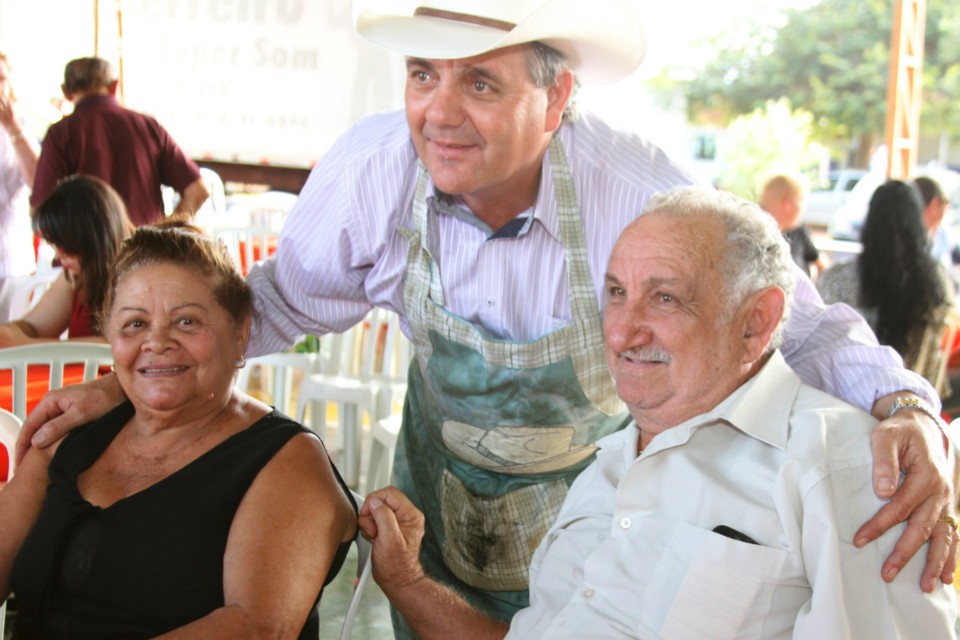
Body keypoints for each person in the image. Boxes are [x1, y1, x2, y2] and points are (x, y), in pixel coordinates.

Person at [16, 2, 957, 635]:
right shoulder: (374, 171)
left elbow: (793, 319)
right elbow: (272, 308)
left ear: (558, 98)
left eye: (481, 83)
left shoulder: (632, 187)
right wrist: (129, 381)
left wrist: (909, 406)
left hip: (597, 505)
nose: (440, 113)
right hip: (434, 494)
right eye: (424, 75)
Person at [360, 186, 958, 639]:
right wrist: (409, 581)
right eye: (617, 292)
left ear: (757, 322)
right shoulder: (616, 453)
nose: (621, 331)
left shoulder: (846, 464)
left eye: (665, 298)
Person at [0, 224, 357, 637]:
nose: (157, 341)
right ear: (109, 334)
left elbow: (256, 629)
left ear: (240, 331)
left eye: (186, 321)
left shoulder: (287, 460)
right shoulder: (74, 434)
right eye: (134, 324)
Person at [30, 57, 209, 226]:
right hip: (143, 254)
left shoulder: (61, 134)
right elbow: (198, 191)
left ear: (66, 92)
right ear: (114, 86)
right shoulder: (148, 126)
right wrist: (163, 234)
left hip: (83, 255)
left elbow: (40, 209)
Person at [818, 180, 954, 395]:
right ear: (917, 222)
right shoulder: (939, 283)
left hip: (849, 402)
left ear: (870, 221)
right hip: (918, 403)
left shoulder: (836, 280)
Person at [0, 175, 133, 346]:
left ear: (90, 239)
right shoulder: (76, 277)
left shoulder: (138, 280)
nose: (57, 256)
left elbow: (123, 345)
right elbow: (30, 328)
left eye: (64, 247)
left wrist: (24, 344)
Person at [0, 52, 39, 316]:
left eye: (2, 79)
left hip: (11, 260)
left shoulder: (20, 124)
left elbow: (39, 182)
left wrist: (13, 129)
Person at [759, 173, 824, 278]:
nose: (804, 208)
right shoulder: (748, 234)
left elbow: (821, 264)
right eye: (802, 200)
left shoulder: (798, 232)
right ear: (787, 204)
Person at [914, 175, 959, 286]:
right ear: (934, 205)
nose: (946, 212)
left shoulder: (941, 235)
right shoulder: (909, 242)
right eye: (946, 206)